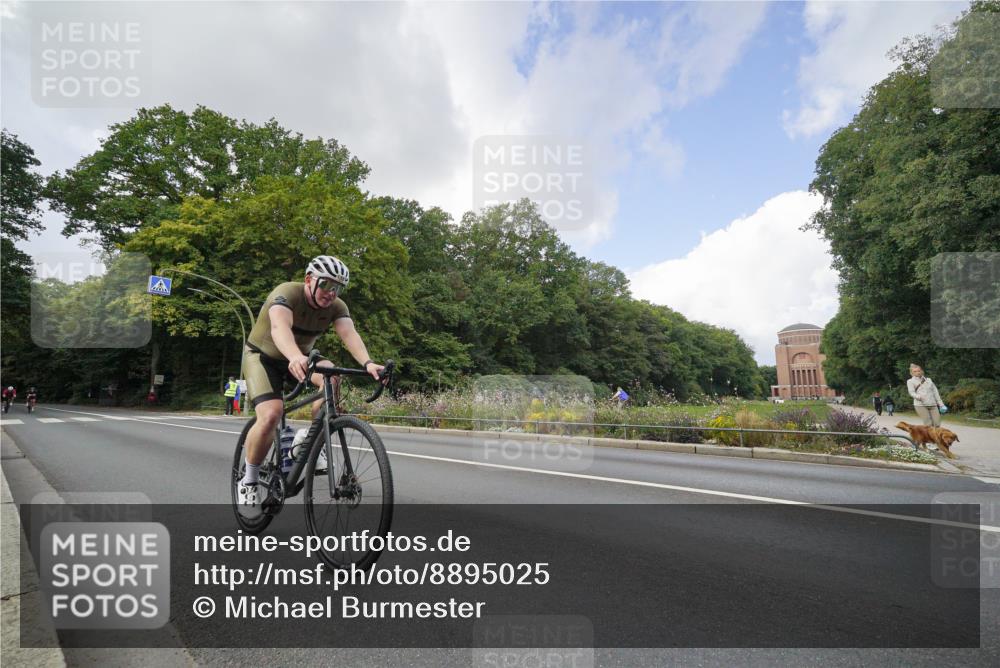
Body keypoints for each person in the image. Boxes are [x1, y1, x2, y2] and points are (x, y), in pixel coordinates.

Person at [238, 255, 385, 513]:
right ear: (309, 279)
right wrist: (294, 355)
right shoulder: (286, 293)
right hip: (263, 357)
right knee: (272, 413)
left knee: (331, 375)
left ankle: (310, 436)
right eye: (326, 285)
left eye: (337, 288)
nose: (331, 293)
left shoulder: (337, 307)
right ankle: (249, 478)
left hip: (301, 359)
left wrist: (368, 363)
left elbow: (349, 335)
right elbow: (279, 328)